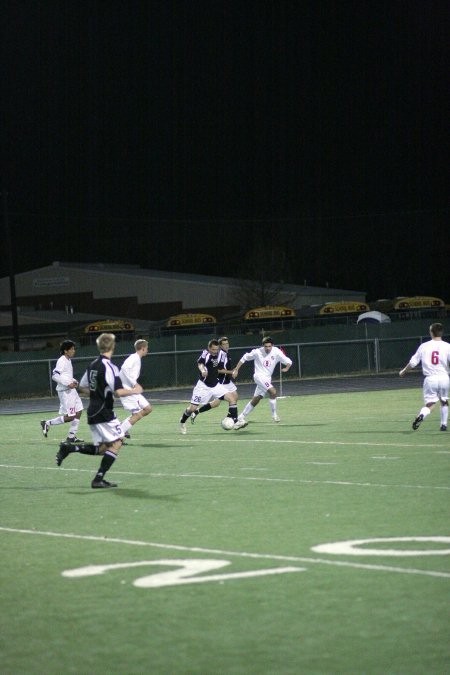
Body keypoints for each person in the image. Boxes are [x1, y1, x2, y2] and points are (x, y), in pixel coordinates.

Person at [56, 333, 143, 488]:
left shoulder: (92, 364)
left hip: (93, 411)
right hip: (104, 412)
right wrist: (135, 390)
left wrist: (99, 393)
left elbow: (82, 387)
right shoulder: (110, 367)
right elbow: (118, 392)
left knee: (104, 448)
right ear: (113, 347)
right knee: (117, 443)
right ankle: (98, 479)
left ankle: (71, 447)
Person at [233, 336, 292, 429]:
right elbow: (244, 357)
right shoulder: (257, 352)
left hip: (267, 379)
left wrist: (287, 368)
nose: (268, 348)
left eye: (269, 346)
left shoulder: (276, 351)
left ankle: (240, 417)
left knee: (256, 399)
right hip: (259, 376)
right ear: (263, 346)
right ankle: (274, 415)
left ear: (272, 345)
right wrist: (236, 369)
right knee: (273, 392)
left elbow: (288, 361)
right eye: (266, 346)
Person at [399, 322, 450, 431]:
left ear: (431, 332)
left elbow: (413, 362)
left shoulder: (424, 346)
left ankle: (422, 415)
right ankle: (443, 425)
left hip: (430, 379)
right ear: (441, 332)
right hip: (444, 377)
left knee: (430, 405)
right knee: (444, 401)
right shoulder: (447, 346)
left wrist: (403, 371)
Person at [179, 338, 232, 434]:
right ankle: (182, 422)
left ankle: (234, 419)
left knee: (232, 398)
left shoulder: (220, 354)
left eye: (216, 349)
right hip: (203, 386)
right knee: (192, 408)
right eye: (213, 350)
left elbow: (220, 367)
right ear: (209, 348)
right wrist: (203, 370)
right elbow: (200, 364)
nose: (215, 352)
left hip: (215, 385)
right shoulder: (205, 354)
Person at [41, 340, 84, 442]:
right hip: (65, 392)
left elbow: (66, 376)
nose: (74, 351)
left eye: (74, 349)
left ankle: (71, 437)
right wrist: (68, 383)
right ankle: (47, 423)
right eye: (72, 349)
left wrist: (74, 381)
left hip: (71, 391)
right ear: (66, 351)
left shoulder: (68, 360)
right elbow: (55, 375)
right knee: (71, 416)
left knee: (79, 411)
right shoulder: (62, 360)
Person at [190, 336, 239, 425]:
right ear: (219, 346)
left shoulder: (226, 354)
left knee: (233, 397)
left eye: (227, 343)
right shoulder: (219, 354)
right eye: (224, 344)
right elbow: (217, 369)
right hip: (220, 381)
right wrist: (231, 372)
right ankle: (233, 420)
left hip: (227, 381)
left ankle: (232, 419)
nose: (226, 346)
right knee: (219, 402)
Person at [119, 339, 152, 439]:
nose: (147, 350)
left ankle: (122, 427)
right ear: (142, 348)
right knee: (137, 415)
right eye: (146, 348)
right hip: (127, 390)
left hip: (131, 389)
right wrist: (134, 384)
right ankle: (117, 434)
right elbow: (124, 368)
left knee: (148, 409)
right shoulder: (134, 357)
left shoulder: (137, 358)